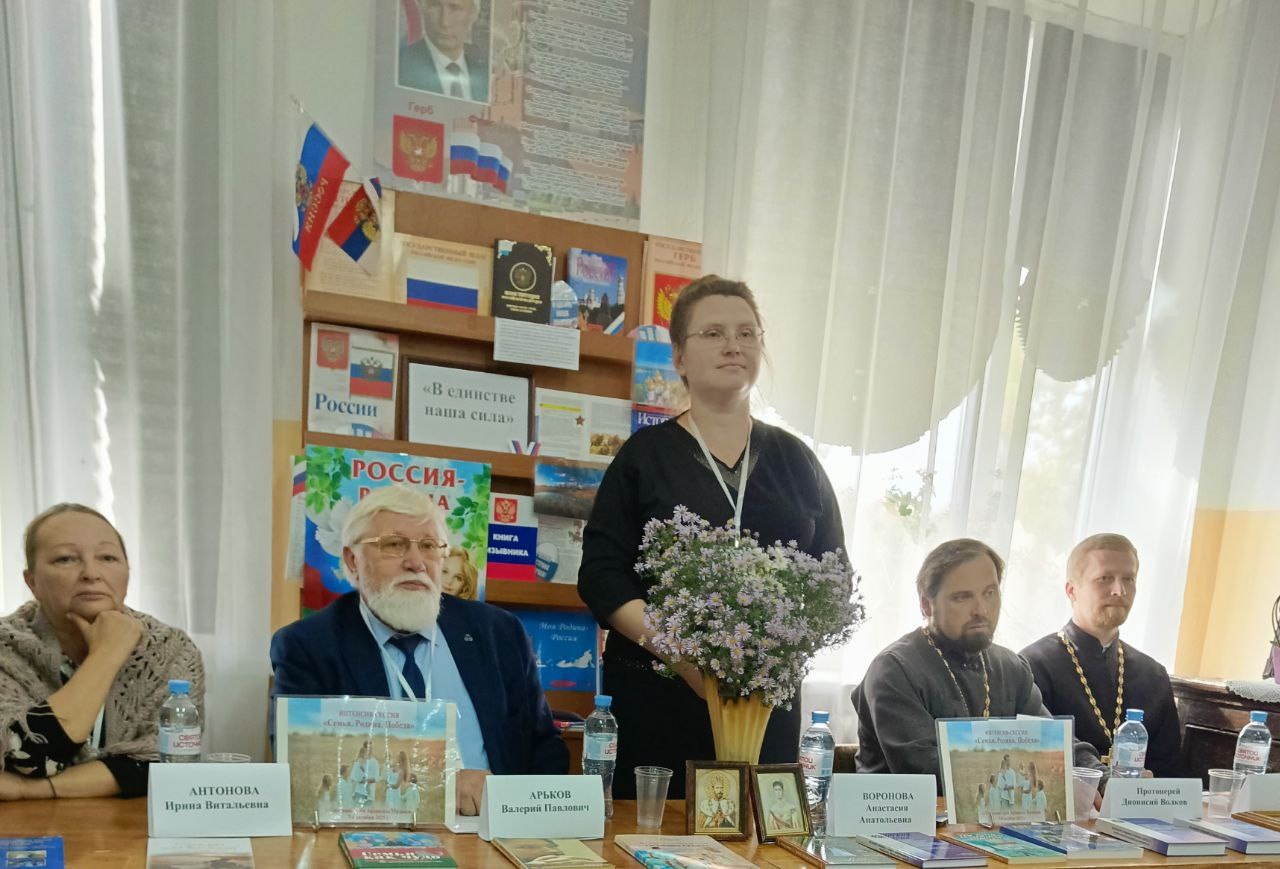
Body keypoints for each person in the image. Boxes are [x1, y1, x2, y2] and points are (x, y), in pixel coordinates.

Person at [578, 276, 846, 799]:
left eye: (747, 333)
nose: (733, 345)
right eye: (714, 333)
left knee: (758, 833)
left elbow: (834, 581)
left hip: (764, 707)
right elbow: (601, 577)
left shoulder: (797, 461)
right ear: (679, 356)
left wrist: (767, 659)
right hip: (660, 698)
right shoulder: (644, 456)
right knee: (657, 834)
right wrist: (685, 659)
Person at [270, 485, 567, 815]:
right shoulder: (308, 645)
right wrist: (442, 787)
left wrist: (526, 818)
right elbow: (302, 771)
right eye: (394, 545)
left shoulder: (499, 633)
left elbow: (544, 748)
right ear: (352, 562)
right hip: (372, 831)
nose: (416, 563)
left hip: (492, 828)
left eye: (429, 546)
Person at [852, 538, 1106, 793]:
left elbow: (1052, 741)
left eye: (989, 593)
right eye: (962, 597)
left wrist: (1102, 778)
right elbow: (926, 771)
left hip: (994, 809)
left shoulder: (1010, 666)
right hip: (902, 815)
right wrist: (1041, 772)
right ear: (927, 604)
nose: (981, 610)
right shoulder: (894, 669)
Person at [0, 504, 205, 800]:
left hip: (132, 824)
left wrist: (27, 789)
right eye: (66, 559)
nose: (91, 573)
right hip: (25, 826)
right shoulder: (5, 647)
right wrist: (107, 654)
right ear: (32, 582)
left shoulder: (171, 649)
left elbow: (167, 763)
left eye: (107, 557)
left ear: (127, 572)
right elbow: (26, 754)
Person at [1020, 533, 1184, 776]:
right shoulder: (1033, 665)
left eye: (1128, 579)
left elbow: (1170, 773)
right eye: (1105, 578)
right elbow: (1033, 757)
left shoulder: (1153, 675)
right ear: (1072, 591)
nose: (1120, 590)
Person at [398, 0, 490, 102]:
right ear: (422, 8)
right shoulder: (399, 67)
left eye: (455, 8)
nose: (444, 22)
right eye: (435, 5)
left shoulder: (486, 73)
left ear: (473, 14)